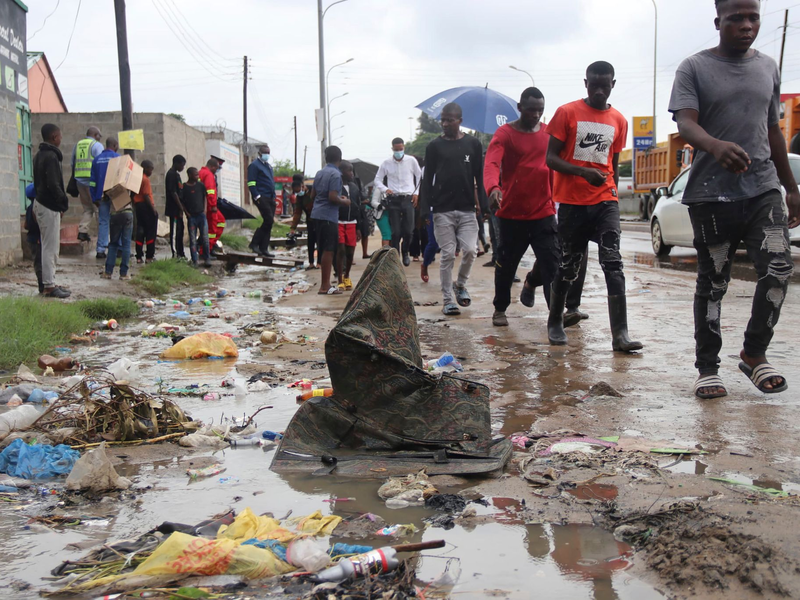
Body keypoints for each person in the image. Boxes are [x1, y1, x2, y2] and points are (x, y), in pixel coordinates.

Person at [670, 0, 798, 399]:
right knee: (714, 283)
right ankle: (708, 367)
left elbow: (773, 130)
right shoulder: (693, 68)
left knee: (778, 269)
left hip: (762, 188)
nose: (746, 26)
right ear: (718, 22)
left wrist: (791, 188)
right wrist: (714, 145)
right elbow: (685, 121)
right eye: (736, 19)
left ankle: (754, 354)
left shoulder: (767, 67)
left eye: (753, 18)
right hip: (711, 195)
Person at [545, 61, 642, 353]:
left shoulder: (619, 120)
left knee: (613, 263)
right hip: (573, 203)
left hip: (605, 200)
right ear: (585, 83)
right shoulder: (567, 112)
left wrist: (610, 188)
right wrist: (581, 172)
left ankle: (620, 335)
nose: (599, 90)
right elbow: (551, 158)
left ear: (613, 83)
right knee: (568, 265)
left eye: (605, 84)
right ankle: (555, 321)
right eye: (594, 84)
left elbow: (611, 162)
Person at [484, 87, 560, 328]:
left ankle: (555, 316)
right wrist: (493, 188)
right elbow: (492, 163)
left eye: (540, 110)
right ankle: (500, 308)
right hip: (511, 214)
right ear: (519, 108)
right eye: (531, 110)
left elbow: (555, 166)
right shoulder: (505, 134)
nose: (536, 115)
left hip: (543, 213)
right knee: (506, 265)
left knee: (552, 265)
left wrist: (555, 200)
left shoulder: (549, 134)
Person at [421, 103, 484, 316]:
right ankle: (448, 300)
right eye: (443, 120)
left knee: (470, 250)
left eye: (450, 120)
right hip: (442, 209)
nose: (445, 124)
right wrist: (425, 211)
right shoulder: (434, 146)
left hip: (467, 209)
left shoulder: (473, 144)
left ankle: (460, 284)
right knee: (447, 254)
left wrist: (483, 206)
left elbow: (480, 177)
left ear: (460, 121)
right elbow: (427, 179)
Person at [32, 123, 71, 298]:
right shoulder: (51, 157)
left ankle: (48, 282)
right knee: (50, 248)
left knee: (47, 247)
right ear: (54, 137)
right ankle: (49, 286)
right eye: (60, 136)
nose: (61, 139)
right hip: (48, 206)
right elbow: (54, 185)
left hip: (41, 203)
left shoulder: (39, 155)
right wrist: (63, 203)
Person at [373, 137, 422, 266]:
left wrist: (416, 193)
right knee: (396, 232)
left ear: (404, 148)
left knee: (409, 230)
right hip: (393, 200)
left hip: (408, 198)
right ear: (392, 149)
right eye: (396, 150)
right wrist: (385, 189)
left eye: (400, 149)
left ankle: (405, 251)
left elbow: (419, 176)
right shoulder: (386, 163)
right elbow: (377, 179)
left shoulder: (411, 161)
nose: (398, 152)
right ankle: (396, 256)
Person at [310, 146, 350, 295]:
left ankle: (325, 284)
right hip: (328, 216)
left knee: (323, 248)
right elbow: (332, 197)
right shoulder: (335, 175)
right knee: (329, 249)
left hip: (317, 214)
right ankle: (325, 286)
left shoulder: (320, 173)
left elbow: (312, 195)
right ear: (340, 158)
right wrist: (345, 201)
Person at [90, 137, 120, 260]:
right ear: (114, 145)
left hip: (100, 196)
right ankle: (118, 249)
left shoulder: (96, 160)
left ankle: (101, 250)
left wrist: (94, 198)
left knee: (103, 222)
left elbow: (92, 182)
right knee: (118, 222)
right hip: (115, 195)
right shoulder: (118, 158)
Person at [71, 126, 104, 242]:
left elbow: (72, 163)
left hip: (80, 181)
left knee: (87, 209)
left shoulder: (78, 145)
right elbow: (101, 163)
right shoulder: (97, 146)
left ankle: (83, 231)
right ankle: (103, 237)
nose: (100, 138)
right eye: (100, 136)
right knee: (98, 209)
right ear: (95, 135)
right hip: (92, 183)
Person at [101, 177, 134, 280]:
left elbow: (105, 198)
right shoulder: (127, 181)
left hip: (115, 214)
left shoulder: (109, 184)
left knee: (113, 244)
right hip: (127, 213)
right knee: (126, 244)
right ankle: (124, 273)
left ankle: (108, 272)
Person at [337, 160, 363, 291]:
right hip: (339, 222)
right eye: (349, 171)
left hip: (352, 223)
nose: (351, 174)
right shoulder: (336, 186)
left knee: (350, 251)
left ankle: (347, 275)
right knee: (340, 250)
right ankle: (340, 278)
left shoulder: (354, 187)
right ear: (342, 172)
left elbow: (357, 206)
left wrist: (358, 227)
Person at [247, 144, 277, 257]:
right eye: (265, 152)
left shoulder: (269, 167)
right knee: (269, 220)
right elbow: (251, 182)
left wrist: (274, 196)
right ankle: (254, 243)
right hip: (261, 197)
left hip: (270, 197)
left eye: (268, 152)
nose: (267, 155)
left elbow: (271, 182)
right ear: (260, 153)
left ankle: (264, 248)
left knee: (269, 224)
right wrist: (256, 196)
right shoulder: (254, 166)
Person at [182, 167, 212, 268]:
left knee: (205, 238)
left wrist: (205, 210)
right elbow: (182, 202)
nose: (197, 176)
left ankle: (207, 258)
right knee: (193, 239)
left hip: (201, 215)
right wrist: (187, 213)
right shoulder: (184, 187)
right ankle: (195, 260)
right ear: (190, 175)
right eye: (195, 175)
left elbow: (205, 197)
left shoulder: (200, 185)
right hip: (192, 217)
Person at [199, 158, 225, 255]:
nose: (217, 171)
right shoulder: (209, 175)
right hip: (210, 207)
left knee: (220, 221)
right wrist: (213, 205)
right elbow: (210, 192)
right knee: (212, 229)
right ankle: (206, 250)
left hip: (203, 205)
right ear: (212, 167)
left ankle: (209, 246)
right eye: (217, 168)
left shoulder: (200, 172)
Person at [134, 160, 157, 264]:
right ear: (145, 168)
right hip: (146, 207)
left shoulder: (136, 177)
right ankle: (149, 256)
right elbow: (146, 196)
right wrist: (153, 210)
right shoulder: (145, 179)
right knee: (150, 232)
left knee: (140, 231)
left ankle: (139, 256)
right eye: (150, 169)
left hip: (138, 206)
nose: (151, 171)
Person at [165, 155, 187, 259]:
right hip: (173, 209)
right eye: (182, 165)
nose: (183, 167)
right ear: (177, 163)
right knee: (174, 232)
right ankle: (175, 254)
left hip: (178, 209)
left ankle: (181, 253)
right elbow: (173, 193)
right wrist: (180, 207)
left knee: (180, 231)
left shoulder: (177, 175)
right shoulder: (171, 175)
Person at [23, 183, 43, 293]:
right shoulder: (38, 209)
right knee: (40, 262)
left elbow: (25, 225)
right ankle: (42, 284)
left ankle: (42, 283)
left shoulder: (29, 208)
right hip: (38, 239)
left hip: (32, 239)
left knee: (38, 262)